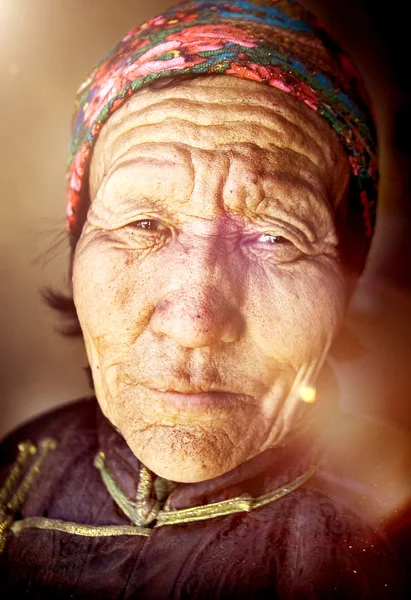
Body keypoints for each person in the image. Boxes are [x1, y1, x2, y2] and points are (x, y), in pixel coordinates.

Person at [1, 0, 410, 597]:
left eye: (275, 236)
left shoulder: (383, 539)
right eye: (142, 224)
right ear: (77, 251)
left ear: (348, 279)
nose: (195, 322)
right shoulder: (17, 473)